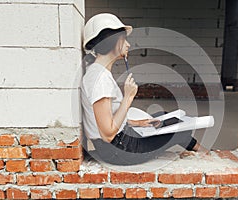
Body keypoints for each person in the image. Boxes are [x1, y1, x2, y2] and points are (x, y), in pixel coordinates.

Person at [81, 13, 200, 165]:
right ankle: (206, 154)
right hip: (119, 150)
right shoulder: (100, 79)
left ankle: (201, 151)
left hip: (119, 143)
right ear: (112, 41)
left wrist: (136, 123)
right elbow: (108, 134)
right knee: (179, 129)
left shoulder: (97, 72)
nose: (128, 45)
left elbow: (105, 118)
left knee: (164, 118)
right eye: (124, 39)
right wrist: (128, 98)